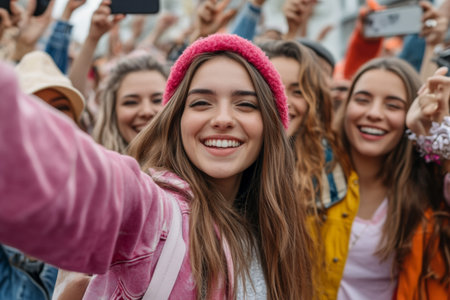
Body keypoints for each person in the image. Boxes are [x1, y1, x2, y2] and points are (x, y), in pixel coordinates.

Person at [0, 33, 313, 299]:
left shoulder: (280, 233)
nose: (222, 119)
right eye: (201, 102)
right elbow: (67, 172)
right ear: (175, 120)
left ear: (271, 126)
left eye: (246, 104)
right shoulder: (153, 217)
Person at [319, 57, 449, 299]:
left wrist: (428, 132)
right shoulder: (311, 173)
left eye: (393, 105)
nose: (374, 114)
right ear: (346, 105)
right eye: (362, 100)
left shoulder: (428, 188)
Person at [259, 39, 349, 211]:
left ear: (313, 102)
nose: (284, 101)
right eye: (272, 88)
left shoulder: (331, 172)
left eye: (298, 92)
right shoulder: (225, 165)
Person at [92, 53, 168, 154]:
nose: (146, 111)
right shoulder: (94, 167)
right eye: (131, 102)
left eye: (158, 100)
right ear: (112, 112)